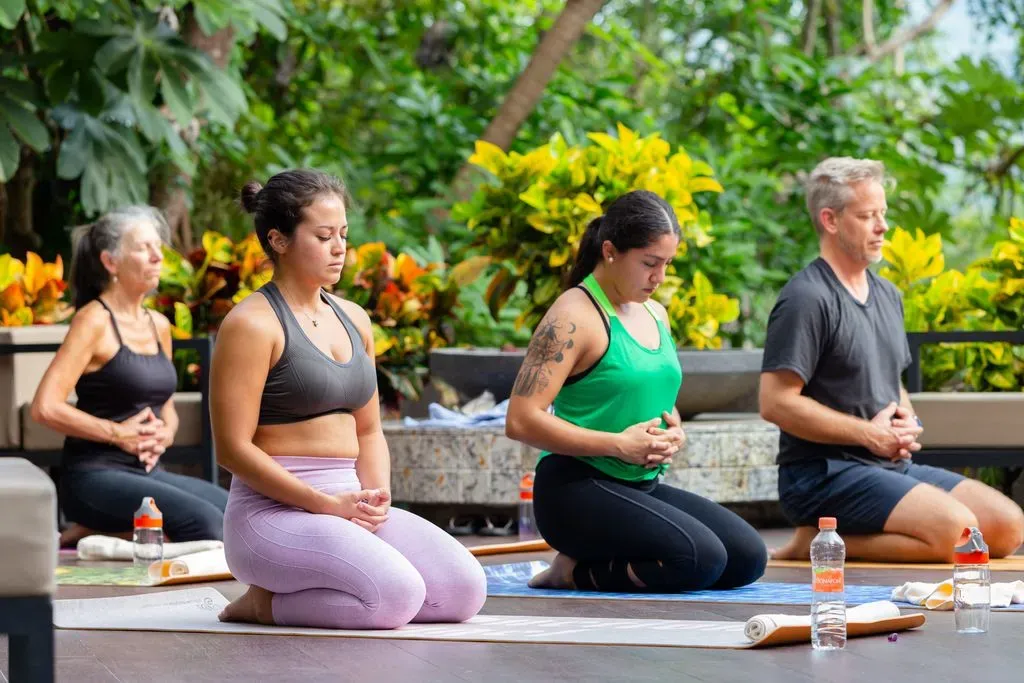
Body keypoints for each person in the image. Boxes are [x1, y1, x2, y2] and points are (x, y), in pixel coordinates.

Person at [212, 169, 486, 630]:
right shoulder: (252, 325)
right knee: (396, 596)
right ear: (278, 240)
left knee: (463, 591)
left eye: (343, 234)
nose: (340, 247)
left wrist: (376, 500)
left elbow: (368, 428)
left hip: (348, 504)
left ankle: (320, 584)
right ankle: (261, 604)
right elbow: (232, 449)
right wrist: (324, 504)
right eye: (323, 236)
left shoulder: (354, 319)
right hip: (272, 514)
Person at [760, 157, 1024, 562]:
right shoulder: (806, 298)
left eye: (882, 213)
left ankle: (819, 540)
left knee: (1007, 528)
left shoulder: (887, 295)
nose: (882, 226)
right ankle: (816, 541)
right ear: (830, 220)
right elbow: (776, 402)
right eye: (867, 216)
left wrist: (906, 423)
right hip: (822, 474)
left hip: (887, 466)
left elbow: (891, 382)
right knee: (961, 535)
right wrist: (871, 435)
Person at [504, 189, 768, 593]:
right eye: (649, 263)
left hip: (639, 487)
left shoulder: (654, 312)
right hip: (575, 490)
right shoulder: (573, 316)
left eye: (666, 264)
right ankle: (570, 572)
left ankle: (595, 561)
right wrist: (618, 445)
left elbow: (649, 395)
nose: (659, 277)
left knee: (748, 558)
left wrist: (672, 429)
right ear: (610, 251)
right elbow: (521, 420)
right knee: (700, 559)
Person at [31, 206, 227, 546]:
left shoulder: (159, 325)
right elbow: (45, 407)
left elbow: (166, 406)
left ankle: (98, 535)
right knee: (205, 523)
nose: (156, 257)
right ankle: (105, 533)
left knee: (232, 510)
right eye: (142, 248)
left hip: (148, 471)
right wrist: (119, 433)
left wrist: (164, 435)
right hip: (94, 476)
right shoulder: (93, 321)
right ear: (110, 263)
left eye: (157, 247)